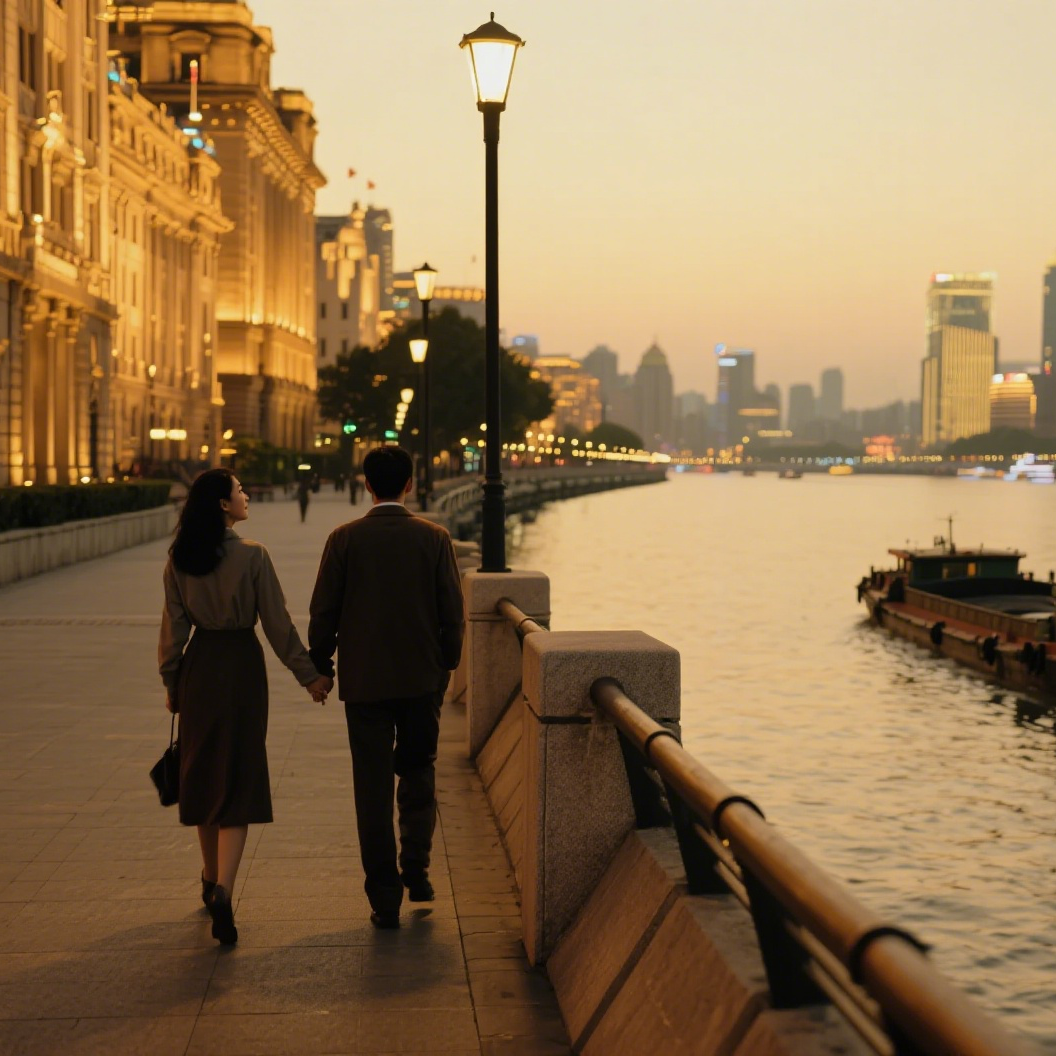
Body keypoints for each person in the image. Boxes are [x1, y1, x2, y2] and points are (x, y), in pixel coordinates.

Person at [159, 468, 332, 945]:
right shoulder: (253, 556)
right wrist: (310, 677)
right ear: (221, 503)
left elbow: (173, 632)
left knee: (203, 771)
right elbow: (277, 625)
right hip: (239, 667)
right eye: (238, 489)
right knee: (238, 774)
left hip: (199, 669)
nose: (245, 494)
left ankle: (209, 876)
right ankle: (225, 891)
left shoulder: (180, 559)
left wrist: (173, 683)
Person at [308, 446, 464, 929]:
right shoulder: (435, 538)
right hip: (421, 682)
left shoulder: (344, 539)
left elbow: (323, 614)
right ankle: (416, 867)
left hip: (366, 683)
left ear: (367, 485)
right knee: (418, 771)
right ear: (411, 485)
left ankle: (384, 896)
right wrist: (445, 668)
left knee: (371, 788)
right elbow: (452, 615)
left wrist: (323, 666)